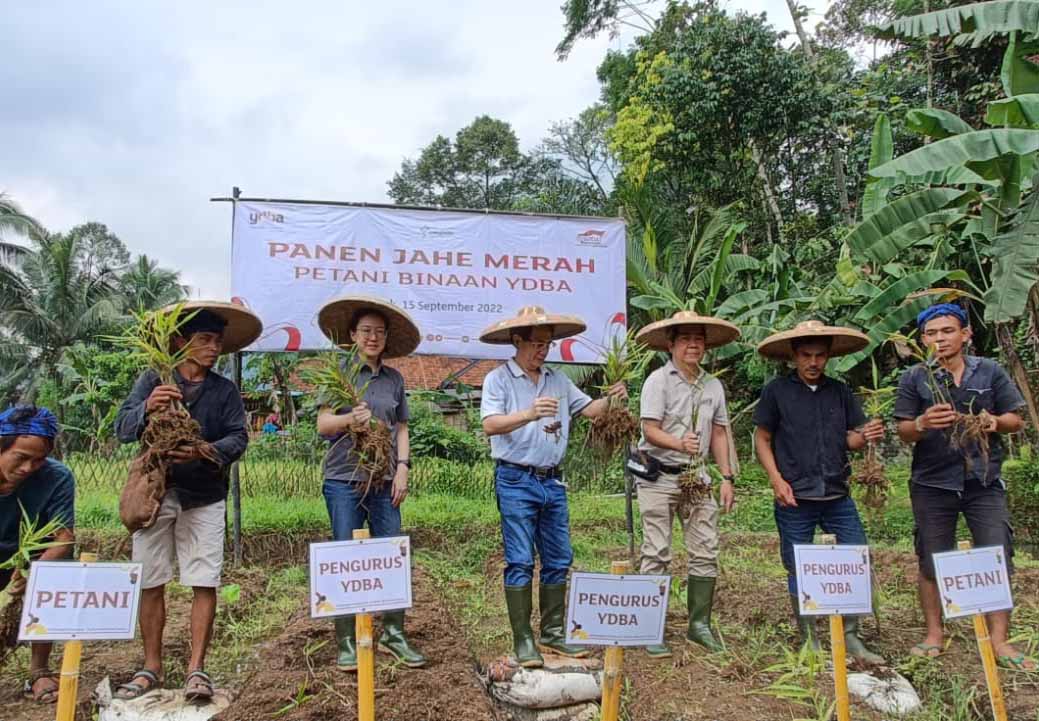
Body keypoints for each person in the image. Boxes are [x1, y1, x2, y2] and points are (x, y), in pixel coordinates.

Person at [114, 301, 261, 700]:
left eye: (217, 341)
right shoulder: (154, 381)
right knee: (150, 579)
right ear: (180, 342)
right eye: (205, 339)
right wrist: (148, 407)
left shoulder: (224, 390)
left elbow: (238, 438)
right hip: (156, 494)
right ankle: (151, 666)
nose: (214, 348)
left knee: (203, 580)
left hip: (205, 495)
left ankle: (197, 669)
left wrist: (203, 450)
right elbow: (122, 428)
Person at [479, 306, 627, 668]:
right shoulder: (498, 379)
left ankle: (552, 633)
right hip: (515, 478)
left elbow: (590, 410)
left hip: (553, 480)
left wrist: (614, 398)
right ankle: (523, 639)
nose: (542, 350)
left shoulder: (558, 380)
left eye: (546, 344)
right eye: (535, 344)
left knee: (559, 558)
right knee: (520, 559)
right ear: (517, 341)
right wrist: (529, 413)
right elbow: (490, 424)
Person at [894, 302, 1033, 670]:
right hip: (932, 483)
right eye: (931, 333)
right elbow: (903, 430)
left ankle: (999, 640)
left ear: (965, 334)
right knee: (931, 557)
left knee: (997, 553)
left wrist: (993, 422)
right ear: (922, 340)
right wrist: (922, 423)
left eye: (947, 331)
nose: (940, 339)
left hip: (983, 480)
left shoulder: (989, 371)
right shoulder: (915, 377)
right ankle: (934, 634)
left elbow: (1016, 419)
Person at [754, 320, 885, 664]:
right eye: (806, 355)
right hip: (794, 495)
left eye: (820, 356)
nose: (813, 362)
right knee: (798, 566)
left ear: (828, 357)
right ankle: (809, 637)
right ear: (794, 356)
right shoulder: (776, 391)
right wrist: (776, 479)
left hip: (837, 494)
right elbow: (762, 438)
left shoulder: (840, 392)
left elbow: (851, 440)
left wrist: (866, 435)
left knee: (855, 559)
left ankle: (851, 636)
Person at [315, 295, 426, 671]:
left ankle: (394, 633)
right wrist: (351, 420)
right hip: (343, 479)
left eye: (379, 332)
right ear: (352, 335)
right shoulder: (340, 373)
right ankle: (347, 640)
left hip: (384, 480)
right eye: (365, 331)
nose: (372, 337)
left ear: (386, 337)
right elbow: (323, 425)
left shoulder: (394, 379)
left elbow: (401, 427)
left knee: (393, 553)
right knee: (345, 556)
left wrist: (403, 467)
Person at [633, 310, 739, 657]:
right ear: (671, 345)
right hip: (659, 476)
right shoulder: (658, 381)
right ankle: (650, 627)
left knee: (706, 549)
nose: (693, 345)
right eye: (685, 339)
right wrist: (679, 443)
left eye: (698, 339)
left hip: (697, 477)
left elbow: (720, 433)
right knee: (656, 551)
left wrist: (727, 476)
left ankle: (699, 626)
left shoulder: (713, 385)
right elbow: (649, 430)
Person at [0, 405, 74, 703]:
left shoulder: (57, 477)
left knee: (57, 571)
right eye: (20, 457)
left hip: (34, 554)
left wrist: (33, 573)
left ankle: (39, 670)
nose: (28, 467)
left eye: (38, 460)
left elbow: (63, 539)